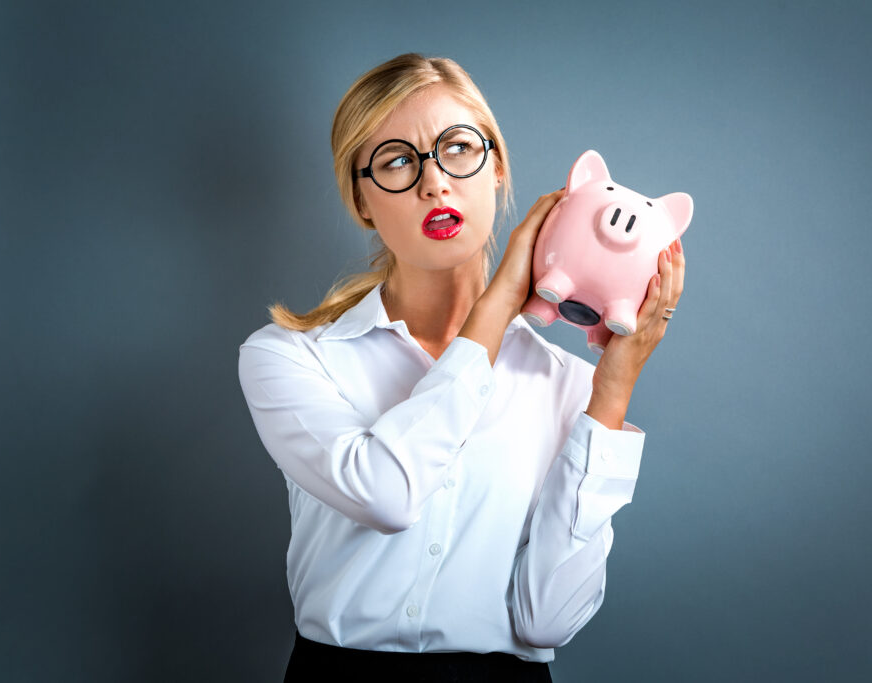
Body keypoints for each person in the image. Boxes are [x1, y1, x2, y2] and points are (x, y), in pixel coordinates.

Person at [237, 53, 685, 683]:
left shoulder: (568, 384)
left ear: (496, 167)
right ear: (361, 200)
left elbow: (546, 621)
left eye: (456, 149)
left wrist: (611, 393)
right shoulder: (290, 357)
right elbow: (387, 494)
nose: (433, 183)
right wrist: (499, 301)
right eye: (396, 160)